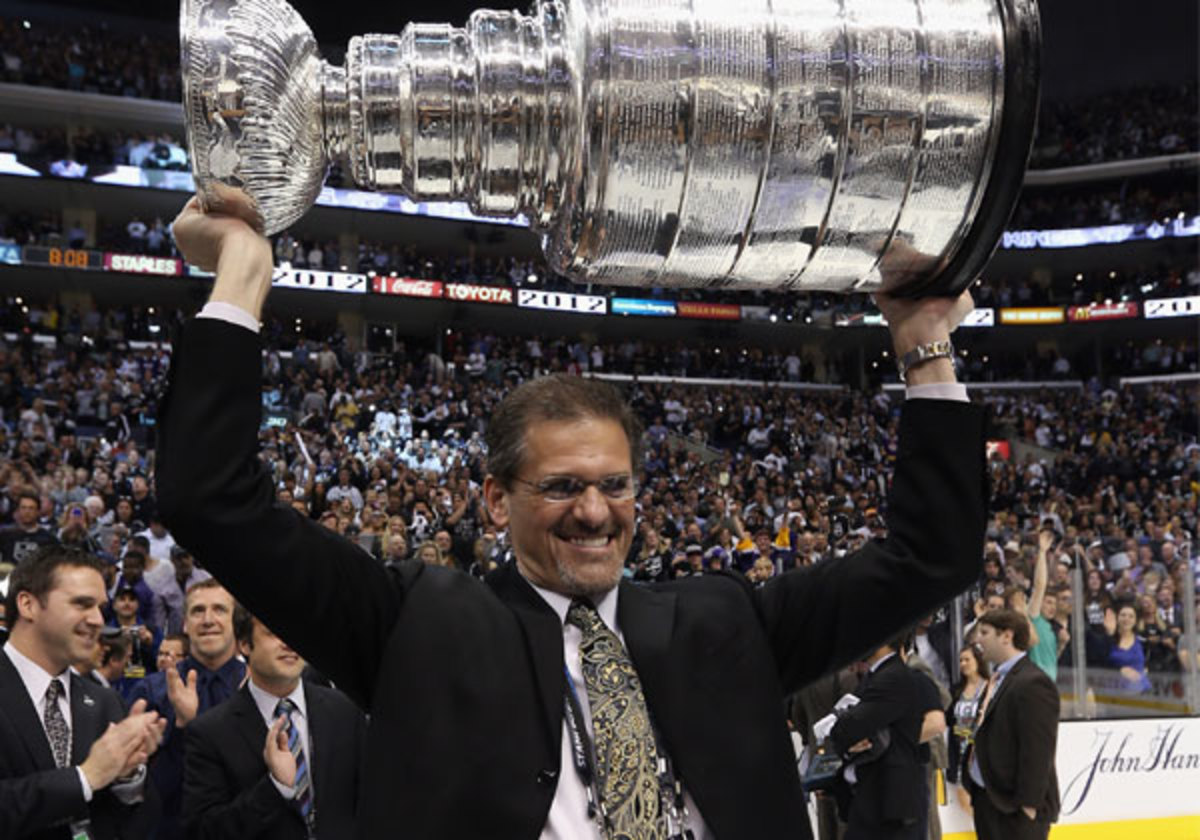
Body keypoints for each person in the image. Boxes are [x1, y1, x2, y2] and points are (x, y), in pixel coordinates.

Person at [157, 193, 987, 838]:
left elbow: (931, 558)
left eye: (615, 485)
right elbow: (213, 498)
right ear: (494, 499)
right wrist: (241, 270)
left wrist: (924, 343)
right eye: (561, 487)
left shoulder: (727, 620)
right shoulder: (415, 622)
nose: (595, 512)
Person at [0, 545, 166, 839]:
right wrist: (84, 778)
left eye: (100, 608)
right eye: (82, 604)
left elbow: (137, 822)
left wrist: (127, 778)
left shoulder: (106, 702)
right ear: (27, 604)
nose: (99, 621)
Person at [182, 612, 366, 839]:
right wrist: (275, 787)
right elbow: (203, 831)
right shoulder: (210, 732)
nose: (290, 644)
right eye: (274, 633)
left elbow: (370, 801)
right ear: (245, 645)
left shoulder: (345, 710)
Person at [128, 580, 247, 840]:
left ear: (234, 623)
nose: (207, 620)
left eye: (219, 610)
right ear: (184, 624)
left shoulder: (255, 687)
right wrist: (182, 727)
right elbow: (140, 788)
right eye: (197, 611)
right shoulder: (152, 691)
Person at [826, 635, 941, 840]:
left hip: (891, 802)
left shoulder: (896, 677)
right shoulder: (873, 677)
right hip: (871, 797)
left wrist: (848, 733)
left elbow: (848, 727)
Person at [966, 609, 1060, 840]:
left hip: (1014, 809)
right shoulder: (997, 679)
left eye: (985, 633)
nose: (978, 640)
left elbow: (1038, 749)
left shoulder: (1033, 683)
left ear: (1006, 636)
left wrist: (1028, 807)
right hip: (989, 799)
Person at [945, 643, 989, 815]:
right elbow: (949, 719)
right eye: (961, 660)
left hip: (980, 754)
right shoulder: (957, 690)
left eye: (967, 659)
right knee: (966, 802)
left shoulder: (988, 688)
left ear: (978, 661)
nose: (963, 663)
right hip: (960, 754)